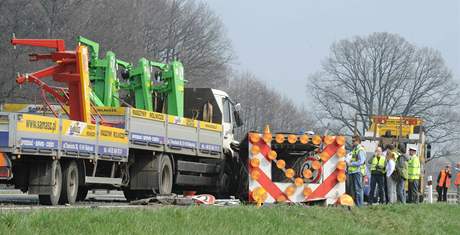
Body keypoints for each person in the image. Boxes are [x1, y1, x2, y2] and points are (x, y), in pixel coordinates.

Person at [347, 135, 366, 207]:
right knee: (353, 189)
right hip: (352, 171)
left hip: (358, 172)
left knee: (358, 189)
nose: (352, 142)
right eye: (352, 141)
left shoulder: (360, 149)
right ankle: (354, 205)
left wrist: (351, 164)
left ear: (358, 141)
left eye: (353, 141)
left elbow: (361, 161)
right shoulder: (354, 149)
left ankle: (360, 206)